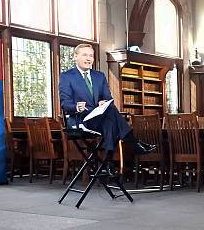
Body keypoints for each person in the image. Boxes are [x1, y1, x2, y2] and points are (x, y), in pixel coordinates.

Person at [59, 44, 155, 172]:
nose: (88, 58)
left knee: (109, 114)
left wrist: (103, 102)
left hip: (100, 117)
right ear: (75, 57)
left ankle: (108, 163)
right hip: (80, 119)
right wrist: (76, 106)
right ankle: (131, 142)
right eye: (85, 55)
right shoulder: (67, 76)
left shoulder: (99, 76)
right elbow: (65, 104)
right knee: (111, 116)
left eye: (91, 56)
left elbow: (108, 98)